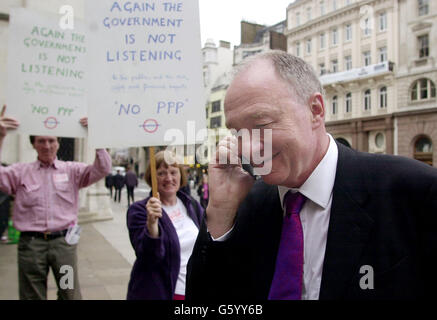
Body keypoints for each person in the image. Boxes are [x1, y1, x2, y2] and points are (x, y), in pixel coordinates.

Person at [186, 51, 437, 300]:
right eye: (237, 132)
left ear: (315, 111)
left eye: (261, 125)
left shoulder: (413, 192)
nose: (248, 149)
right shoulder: (248, 204)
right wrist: (220, 211)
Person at [0, 111, 111, 300]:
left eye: (52, 141)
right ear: (33, 144)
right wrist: (1, 137)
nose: (47, 146)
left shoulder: (72, 171)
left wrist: (96, 138)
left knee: (69, 293)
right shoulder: (20, 172)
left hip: (63, 245)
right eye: (41, 141)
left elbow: (102, 169)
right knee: (31, 296)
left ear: (58, 143)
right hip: (31, 246)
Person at [126, 151, 204, 300]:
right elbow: (149, 258)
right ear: (152, 177)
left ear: (181, 175)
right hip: (161, 293)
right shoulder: (139, 210)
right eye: (161, 173)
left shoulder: (191, 205)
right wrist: (152, 225)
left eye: (173, 172)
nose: (169, 178)